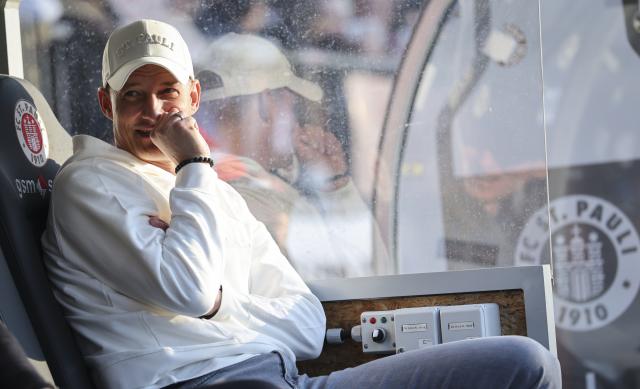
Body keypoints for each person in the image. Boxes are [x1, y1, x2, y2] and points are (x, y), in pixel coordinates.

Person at [41, 19, 561, 389]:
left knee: (522, 360)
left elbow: (308, 328)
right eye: (132, 95)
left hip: (281, 374)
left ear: (193, 98)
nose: (153, 111)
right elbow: (191, 290)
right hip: (197, 381)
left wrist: (227, 303)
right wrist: (195, 168)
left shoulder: (216, 191)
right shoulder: (93, 185)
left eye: (167, 92)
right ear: (107, 103)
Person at [194, 33, 389, 279]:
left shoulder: (198, 177)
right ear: (266, 104)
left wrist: (334, 183)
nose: (296, 121)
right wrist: (339, 191)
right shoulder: (264, 201)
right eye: (291, 105)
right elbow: (370, 275)